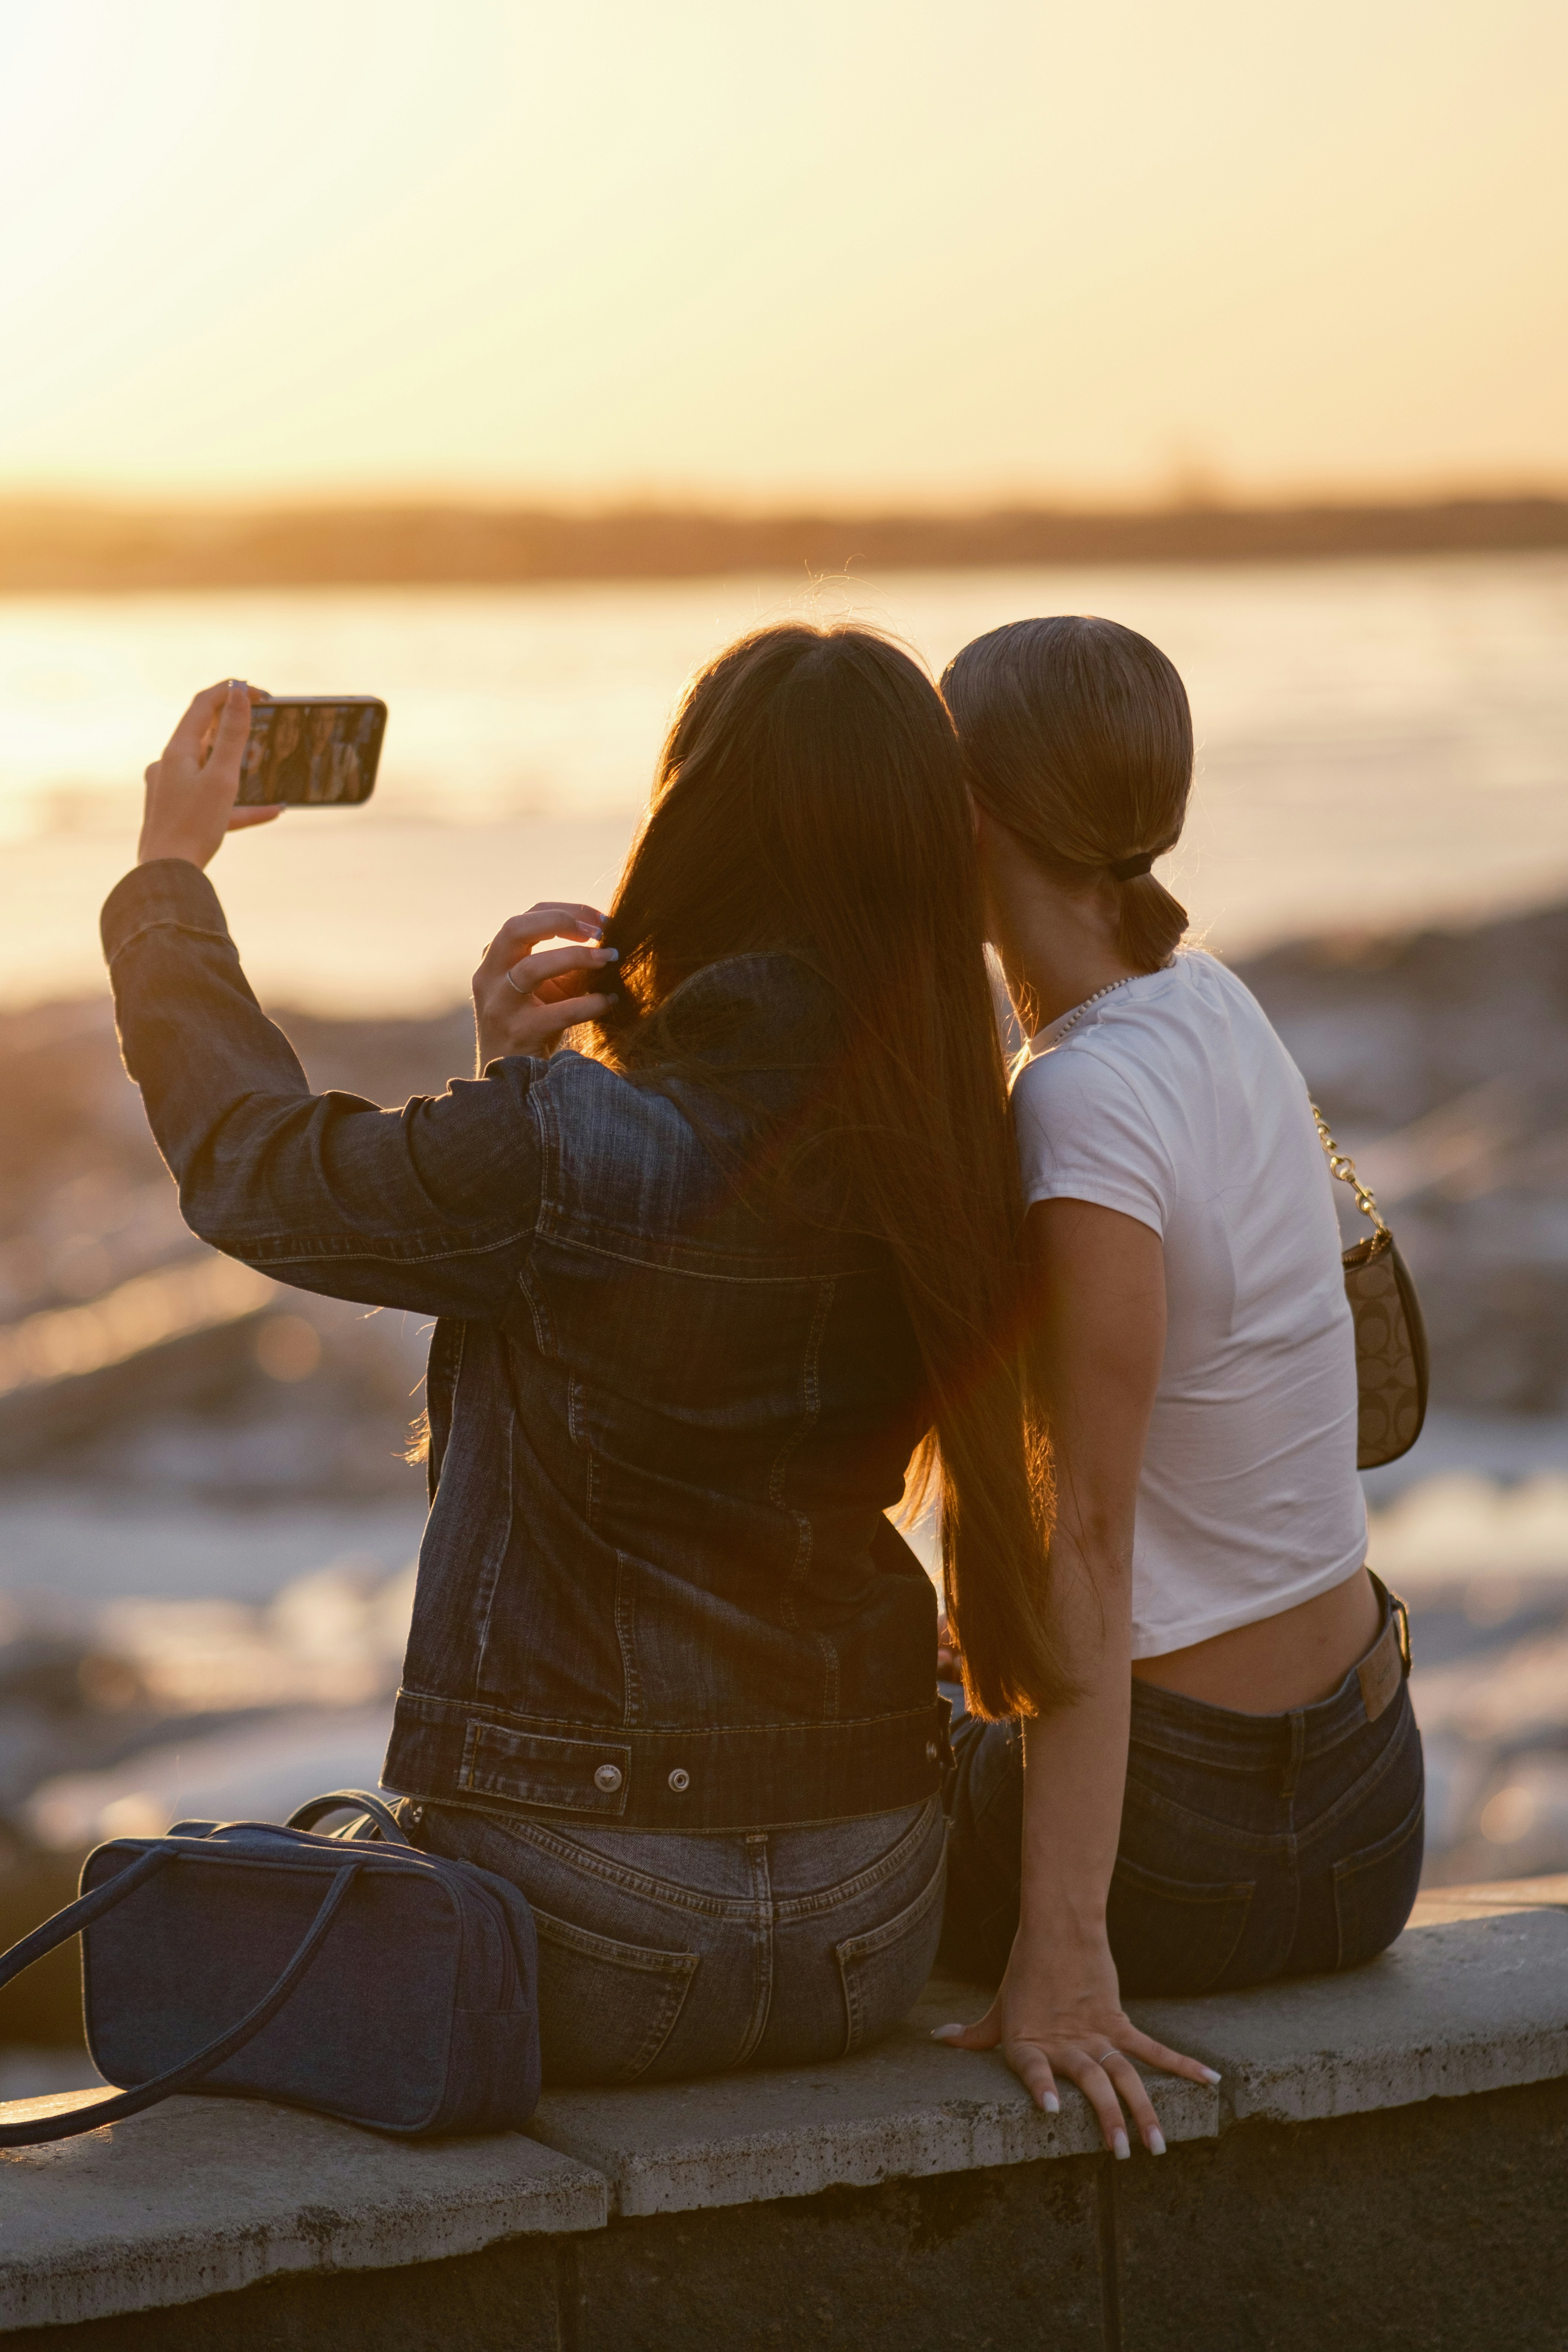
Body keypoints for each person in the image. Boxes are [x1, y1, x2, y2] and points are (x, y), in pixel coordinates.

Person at [103, 629, 1057, 2089]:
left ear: (695, 835)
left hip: (593, 1933)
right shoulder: (959, 1137)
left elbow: (257, 1170)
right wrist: (514, 1079)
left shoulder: (566, 1147)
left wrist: (168, 886)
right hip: (871, 1917)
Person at [930, 615, 1424, 2160]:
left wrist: (1062, 1952)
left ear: (972, 818)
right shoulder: (1212, 1004)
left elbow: (1083, 1546)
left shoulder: (1079, 1108)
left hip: (1181, 1863)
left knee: (819, 1806)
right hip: (1366, 1816)